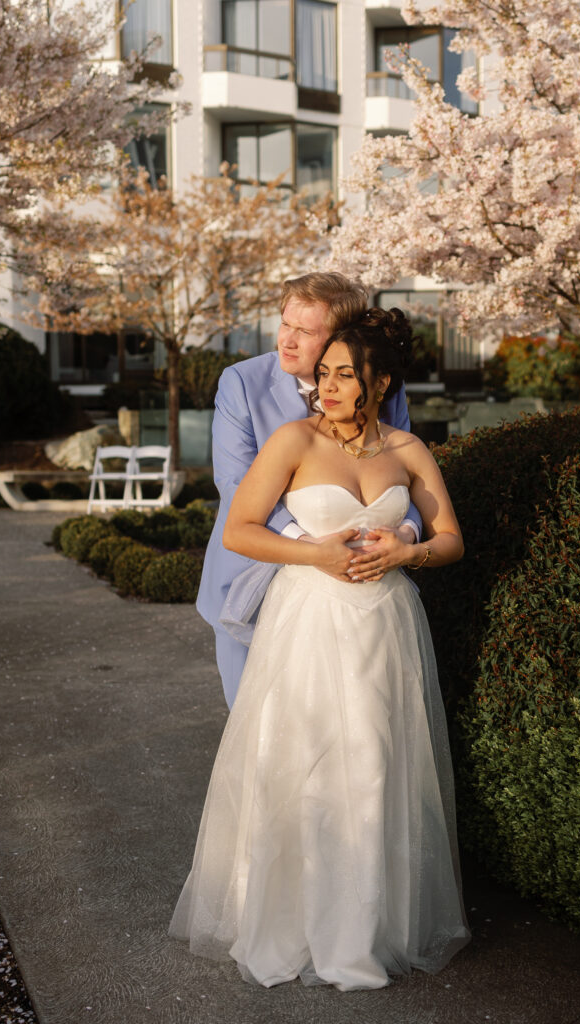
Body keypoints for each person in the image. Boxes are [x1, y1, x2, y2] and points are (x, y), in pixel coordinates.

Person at [169, 308, 471, 991]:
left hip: (386, 623)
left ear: (381, 380)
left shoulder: (407, 449)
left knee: (375, 763)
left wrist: (410, 550)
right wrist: (312, 553)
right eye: (322, 373)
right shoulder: (293, 440)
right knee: (305, 767)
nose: (325, 386)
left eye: (344, 375)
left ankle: (364, 932)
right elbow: (241, 531)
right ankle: (296, 921)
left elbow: (450, 537)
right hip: (307, 620)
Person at [195, 272, 422, 709]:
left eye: (305, 331)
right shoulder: (241, 383)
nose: (287, 339)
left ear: (339, 337)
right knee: (257, 732)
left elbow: (404, 472)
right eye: (285, 324)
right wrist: (312, 545)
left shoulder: (380, 385)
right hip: (250, 584)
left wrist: (407, 533)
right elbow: (234, 483)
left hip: (355, 593)